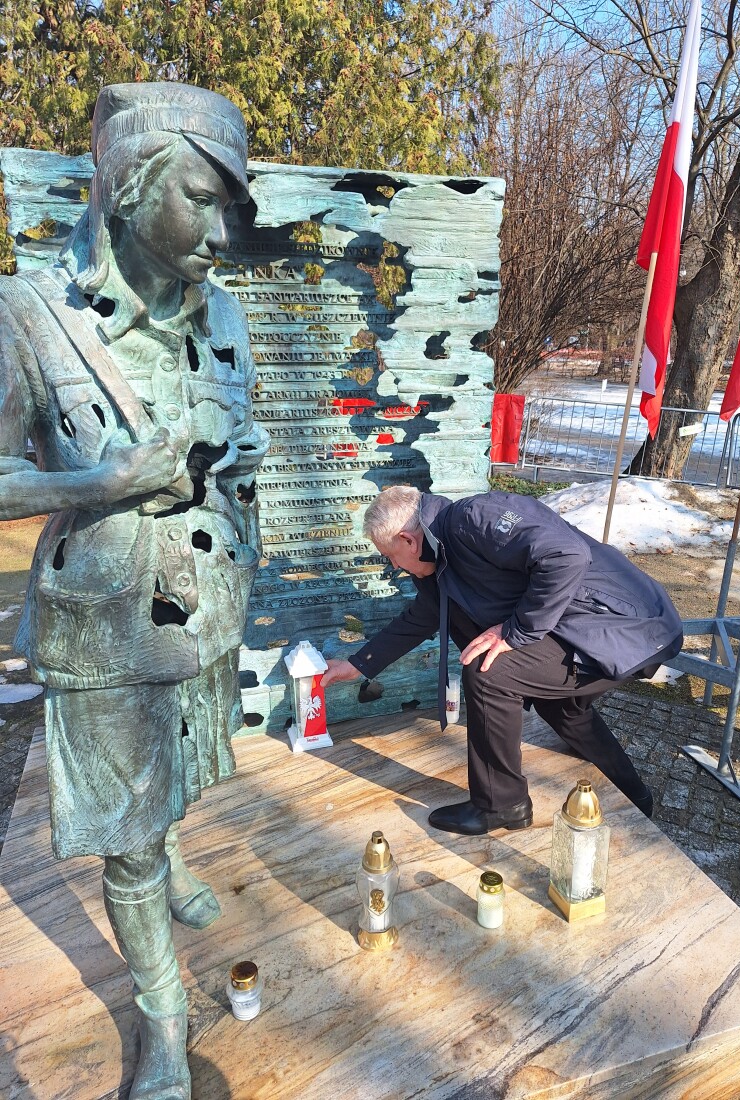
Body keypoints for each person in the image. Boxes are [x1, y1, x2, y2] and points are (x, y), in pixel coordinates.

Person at [0, 83, 268, 1100]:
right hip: (103, 622)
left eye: (230, 207)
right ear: (127, 187)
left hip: (205, 603)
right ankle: (163, 1017)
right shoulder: (28, 314)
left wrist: (239, 460)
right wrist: (101, 484)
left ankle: (174, 859)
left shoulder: (224, 310)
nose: (221, 232)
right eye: (203, 199)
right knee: (125, 834)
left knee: (183, 766)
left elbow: (242, 437)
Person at [322, 486, 683, 834]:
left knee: (489, 672)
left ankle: (501, 804)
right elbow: (422, 616)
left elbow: (566, 556)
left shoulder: (474, 518)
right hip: (599, 627)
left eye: (390, 556)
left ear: (407, 540)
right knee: (561, 707)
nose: (394, 565)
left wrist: (515, 632)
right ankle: (635, 794)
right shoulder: (438, 558)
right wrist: (358, 664)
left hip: (630, 627)